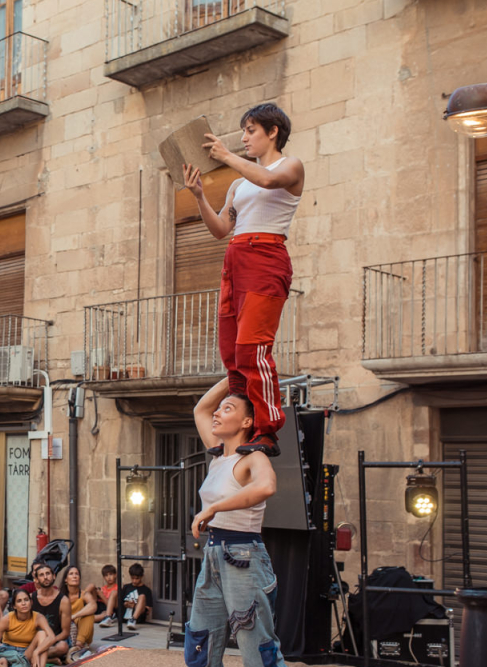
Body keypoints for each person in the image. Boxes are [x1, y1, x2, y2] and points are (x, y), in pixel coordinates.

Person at [183, 103, 304, 457]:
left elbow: (267, 180)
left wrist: (224, 155)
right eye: (243, 131)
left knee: (254, 348)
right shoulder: (237, 185)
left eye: (250, 131)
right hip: (235, 257)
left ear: (273, 132)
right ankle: (240, 430)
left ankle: (266, 429)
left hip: (266, 256)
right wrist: (200, 196)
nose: (244, 138)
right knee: (232, 351)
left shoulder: (290, 166)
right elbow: (221, 229)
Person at [182, 378, 287, 667]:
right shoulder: (219, 454)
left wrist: (214, 507)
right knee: (200, 644)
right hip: (214, 555)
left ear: (246, 422)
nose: (217, 413)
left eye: (227, 409)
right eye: (220, 409)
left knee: (257, 651)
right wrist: (235, 373)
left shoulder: (253, 457)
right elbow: (201, 409)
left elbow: (266, 487)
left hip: (244, 556)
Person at [0, 590, 50, 667]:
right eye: (19, 601)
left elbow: (51, 637)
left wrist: (36, 652)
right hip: (8, 652)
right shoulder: (7, 619)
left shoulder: (38, 617)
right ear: (14, 606)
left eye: (26, 600)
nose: (23, 603)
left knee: (42, 634)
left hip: (26, 652)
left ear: (31, 602)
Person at [29, 565, 69, 662]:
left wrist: (48, 642)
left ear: (54, 576)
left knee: (63, 647)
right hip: (33, 640)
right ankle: (49, 660)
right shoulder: (31, 598)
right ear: (37, 579)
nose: (45, 577)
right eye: (41, 575)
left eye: (48, 573)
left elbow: (65, 632)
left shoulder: (63, 600)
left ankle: (34, 656)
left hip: (54, 641)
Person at [99, 564, 150, 632]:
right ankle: (108, 617)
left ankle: (133, 620)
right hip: (123, 614)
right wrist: (126, 604)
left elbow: (148, 610)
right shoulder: (126, 587)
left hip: (137, 616)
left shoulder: (146, 590)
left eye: (137, 578)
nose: (134, 581)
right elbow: (120, 601)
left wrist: (135, 605)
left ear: (141, 577)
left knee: (142, 596)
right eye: (132, 578)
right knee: (114, 592)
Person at [59, 566, 95, 661]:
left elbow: (93, 606)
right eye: (71, 574)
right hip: (66, 630)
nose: (74, 576)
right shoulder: (60, 596)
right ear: (66, 580)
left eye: (77, 574)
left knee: (89, 615)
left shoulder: (84, 594)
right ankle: (75, 650)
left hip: (82, 631)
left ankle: (78, 645)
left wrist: (74, 616)